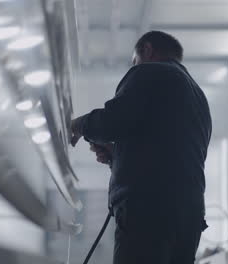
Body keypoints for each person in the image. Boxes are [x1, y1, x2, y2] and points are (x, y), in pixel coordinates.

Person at [70, 31, 212, 264]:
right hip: (189, 218)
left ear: (147, 50)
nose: (134, 66)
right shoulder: (197, 97)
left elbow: (113, 120)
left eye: (134, 61)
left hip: (148, 214)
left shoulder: (149, 71)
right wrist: (117, 156)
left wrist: (78, 125)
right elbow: (171, 152)